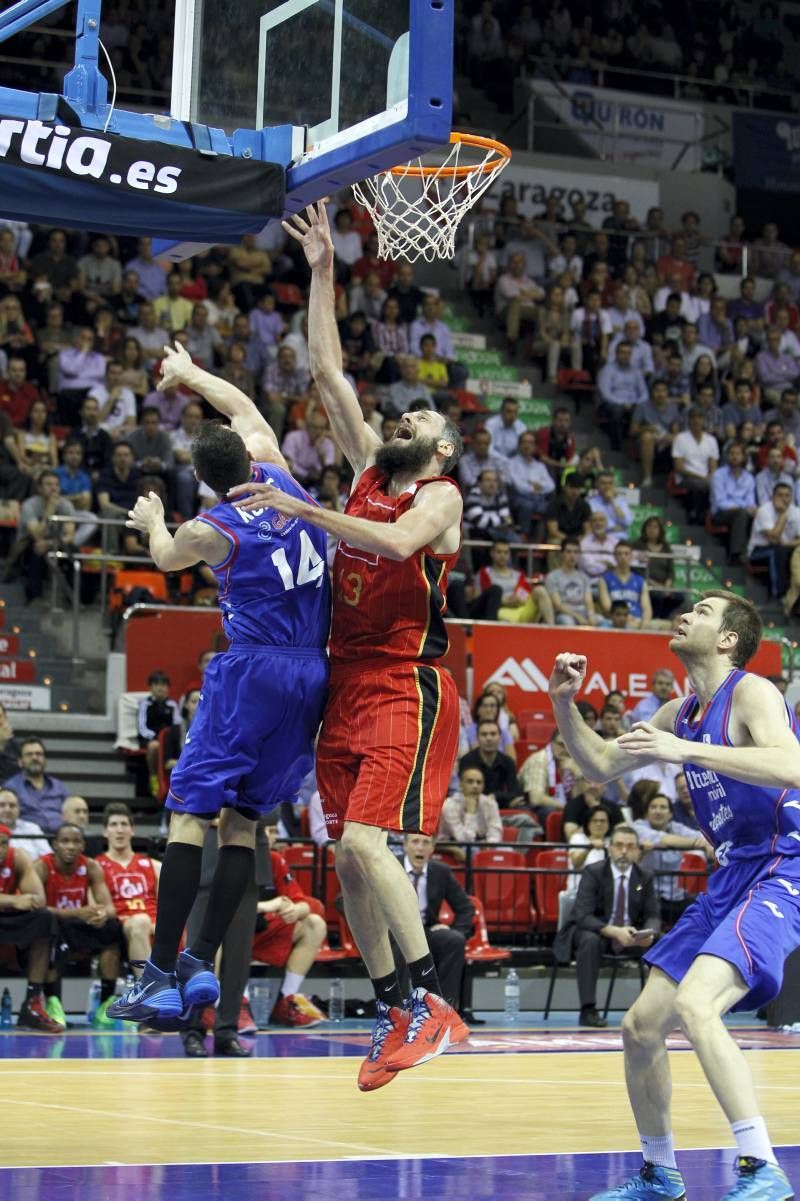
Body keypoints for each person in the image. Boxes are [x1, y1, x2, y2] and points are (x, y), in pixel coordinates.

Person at [230, 201, 470, 1090]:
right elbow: (327, 368)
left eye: (419, 421)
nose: (401, 420)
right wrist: (325, 269)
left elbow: (398, 545)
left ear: (442, 448)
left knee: (372, 846)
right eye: (398, 417)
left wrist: (301, 509)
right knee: (348, 860)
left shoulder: (439, 499)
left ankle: (433, 1003)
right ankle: (395, 1005)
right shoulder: (373, 470)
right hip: (346, 681)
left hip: (406, 683)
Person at [548, 589, 800, 1200]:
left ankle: (761, 1168)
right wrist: (562, 703)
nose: (685, 614)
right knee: (639, 1028)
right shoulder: (678, 711)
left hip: (783, 867)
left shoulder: (751, 692)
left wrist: (683, 751)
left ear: (727, 640)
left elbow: (792, 766)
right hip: (731, 875)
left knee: (697, 1005)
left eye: (703, 612)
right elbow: (602, 764)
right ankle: (660, 1175)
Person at [109, 342, 331, 1029]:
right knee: (245, 823)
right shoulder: (284, 476)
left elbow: (166, 556)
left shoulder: (212, 527)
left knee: (188, 812)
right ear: (248, 457)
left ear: (204, 479)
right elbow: (241, 406)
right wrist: (189, 374)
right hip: (312, 671)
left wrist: (151, 524)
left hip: (255, 668)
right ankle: (200, 961)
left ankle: (157, 973)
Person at [557, 824, 661, 1028]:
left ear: (638, 851)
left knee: (664, 941)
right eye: (619, 845)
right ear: (610, 848)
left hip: (631, 935)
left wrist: (648, 934)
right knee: (590, 940)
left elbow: (653, 915)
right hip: (596, 932)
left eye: (630, 846)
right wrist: (613, 931)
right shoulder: (594, 872)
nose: (624, 851)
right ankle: (588, 1010)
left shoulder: (645, 877)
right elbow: (582, 916)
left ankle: (654, 1011)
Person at [34, 823, 121, 1029]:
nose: (70, 846)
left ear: (83, 845)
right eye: (65, 841)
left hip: (78, 925)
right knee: (48, 927)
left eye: (75, 842)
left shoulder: (91, 866)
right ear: (55, 844)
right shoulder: (41, 866)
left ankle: (106, 1005)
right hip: (52, 925)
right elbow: (37, 908)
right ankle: (53, 1003)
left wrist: (101, 914)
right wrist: (76, 913)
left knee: (112, 929)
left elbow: (110, 907)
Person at [251, 837, 327, 1027]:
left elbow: (306, 902)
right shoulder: (226, 857)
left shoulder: (274, 859)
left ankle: (286, 1000)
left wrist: (296, 910)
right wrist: (265, 906)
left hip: (262, 934)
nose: (269, 837)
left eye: (274, 830)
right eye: (265, 830)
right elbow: (216, 908)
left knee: (314, 924)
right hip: (231, 937)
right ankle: (227, 1004)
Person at [394, 833, 474, 1011]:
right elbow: (349, 899)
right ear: (405, 845)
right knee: (399, 943)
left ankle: (443, 1010)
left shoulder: (441, 871)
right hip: (394, 931)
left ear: (432, 849)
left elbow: (466, 908)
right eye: (415, 842)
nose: (420, 847)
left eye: (425, 843)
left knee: (453, 940)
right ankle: (399, 1009)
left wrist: (456, 929)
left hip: (425, 930)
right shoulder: (390, 867)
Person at [0, 822, 63, 1032]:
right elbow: (17, 901)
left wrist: (19, 901)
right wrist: (12, 900)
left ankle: (32, 1003)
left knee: (44, 918)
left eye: (3, 844)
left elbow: (38, 898)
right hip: (8, 907)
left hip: (8, 917)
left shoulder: (17, 857)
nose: (0, 850)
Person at [4, 738, 69, 833]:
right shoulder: (11, 787)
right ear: (20, 762)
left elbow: (71, 811)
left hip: (61, 840)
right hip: (28, 840)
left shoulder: (59, 786)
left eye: (39, 754)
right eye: (29, 755)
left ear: (45, 760)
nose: (35, 758)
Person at [137, 670, 181, 797]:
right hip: (151, 739)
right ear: (150, 687)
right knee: (154, 746)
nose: (160, 688)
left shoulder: (172, 705)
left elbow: (177, 725)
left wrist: (167, 739)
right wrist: (157, 738)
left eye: (163, 685)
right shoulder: (145, 704)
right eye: (156, 684)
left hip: (168, 741)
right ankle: (154, 778)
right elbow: (142, 727)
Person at [0, 786, 51, 860]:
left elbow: (47, 856)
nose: (7, 809)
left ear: (19, 809)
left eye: (12, 805)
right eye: (2, 805)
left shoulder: (32, 828)